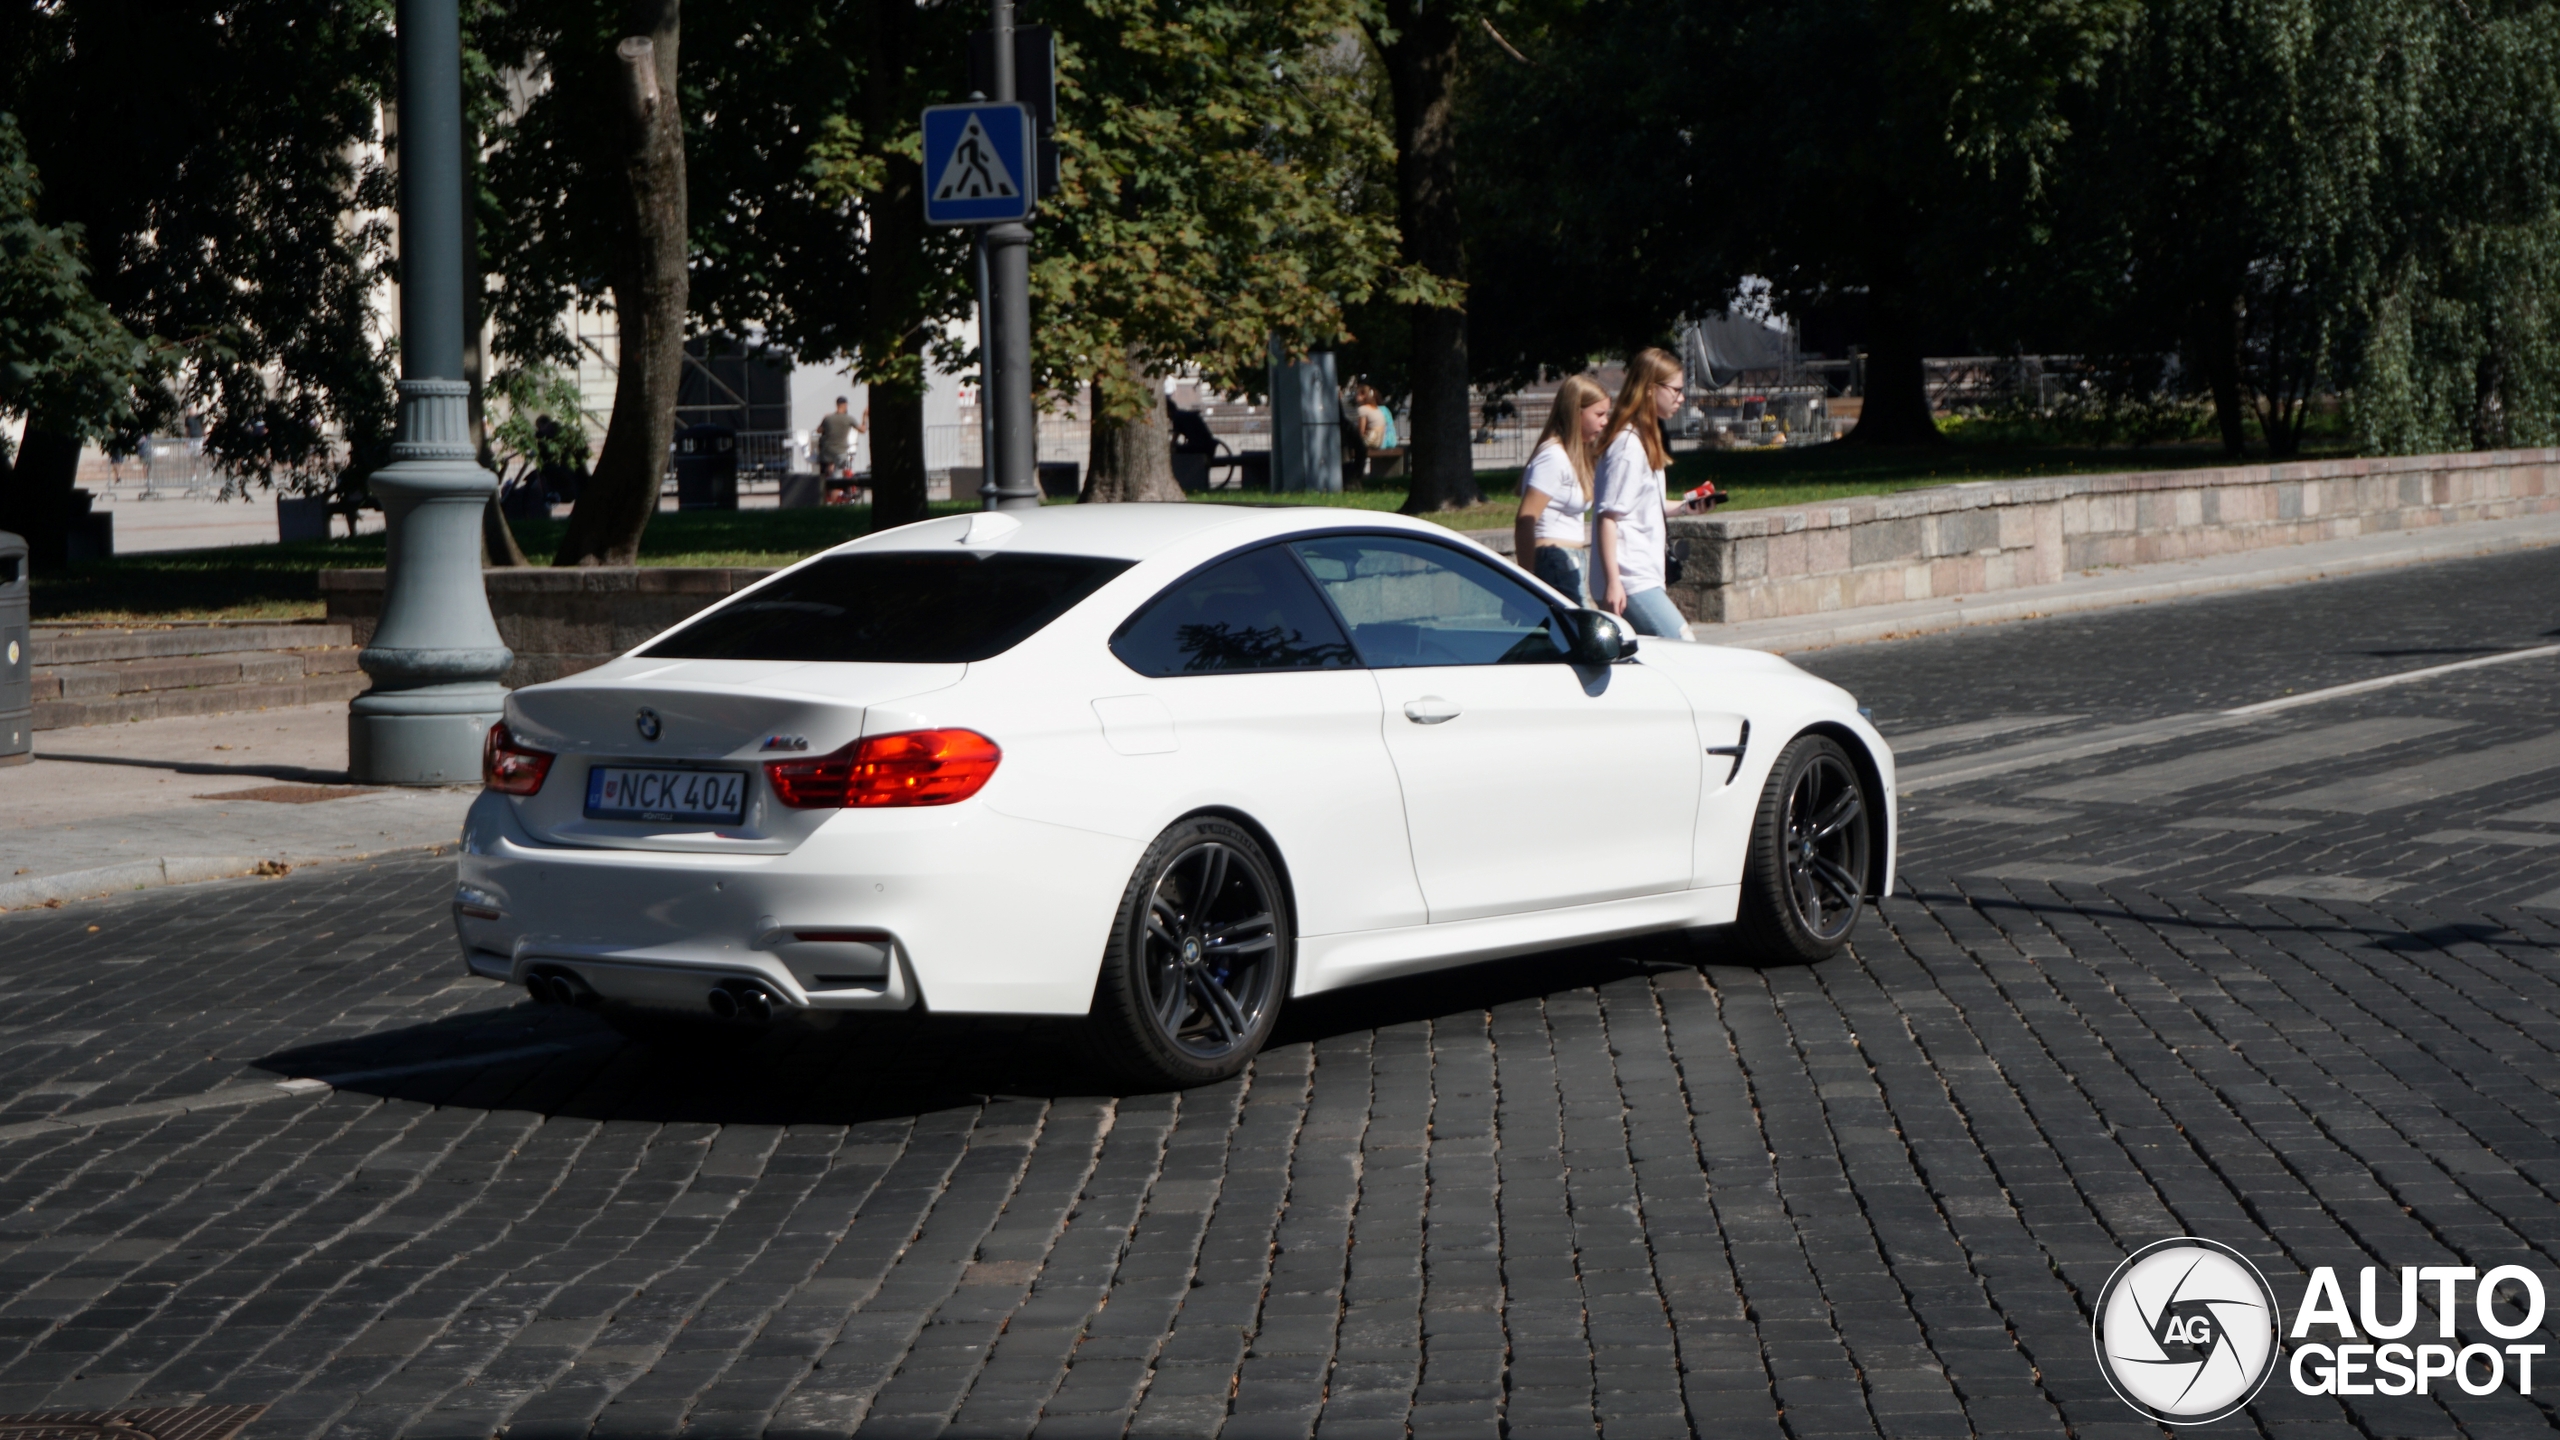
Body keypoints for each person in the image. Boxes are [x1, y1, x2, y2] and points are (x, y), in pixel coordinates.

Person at [1593, 348, 1711, 638]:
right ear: (1649, 389)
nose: (1681, 398)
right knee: (1682, 644)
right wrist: (1613, 582)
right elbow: (1607, 517)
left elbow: (1645, 506)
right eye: (1675, 390)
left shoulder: (1643, 439)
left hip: (1642, 576)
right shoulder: (1628, 446)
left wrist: (1686, 506)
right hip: (1630, 580)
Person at [1512, 375, 1611, 602]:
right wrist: (1527, 580)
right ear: (1576, 413)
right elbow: (1525, 520)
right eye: (1599, 414)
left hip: (1568, 560)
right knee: (1575, 633)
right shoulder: (1553, 457)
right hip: (1554, 562)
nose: (1605, 421)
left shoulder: (1573, 456)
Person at [816, 396, 862, 480]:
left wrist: (824, 419)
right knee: (837, 478)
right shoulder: (848, 418)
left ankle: (827, 488)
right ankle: (835, 491)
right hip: (840, 452)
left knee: (827, 476)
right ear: (844, 405)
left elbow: (818, 430)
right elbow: (862, 429)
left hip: (827, 451)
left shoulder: (828, 418)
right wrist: (865, 417)